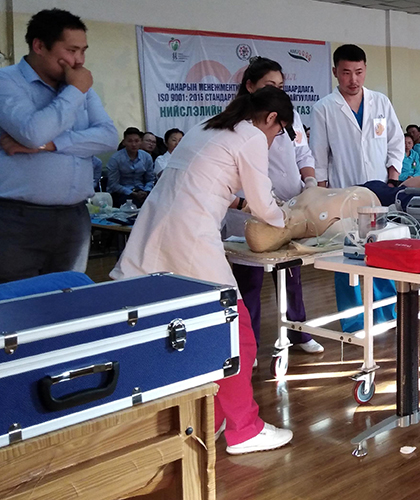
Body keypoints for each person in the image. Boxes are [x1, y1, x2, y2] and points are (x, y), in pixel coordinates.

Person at [110, 86, 297, 454]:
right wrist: (287, 220)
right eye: (278, 132)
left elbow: (207, 181)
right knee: (236, 332)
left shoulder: (207, 127)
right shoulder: (251, 137)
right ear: (272, 118)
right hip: (190, 238)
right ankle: (245, 429)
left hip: (155, 232)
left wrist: (243, 204)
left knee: (190, 331)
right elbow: (264, 204)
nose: (274, 139)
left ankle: (210, 418)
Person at [0, 9, 118, 286]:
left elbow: (109, 138)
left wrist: (50, 145)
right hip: (13, 219)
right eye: (71, 50)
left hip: (73, 216)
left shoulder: (81, 87)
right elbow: (33, 133)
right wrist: (74, 92)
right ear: (39, 46)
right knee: (16, 302)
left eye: (83, 51)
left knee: (68, 299)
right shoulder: (1, 82)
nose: (79, 61)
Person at [227, 56, 323, 355]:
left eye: (281, 86)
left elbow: (303, 154)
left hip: (289, 205)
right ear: (250, 86)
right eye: (270, 85)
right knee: (250, 281)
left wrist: (309, 182)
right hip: (250, 210)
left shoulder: (289, 117)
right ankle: (250, 346)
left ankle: (298, 332)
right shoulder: (237, 123)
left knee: (292, 274)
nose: (277, 91)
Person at [308, 44, 403, 332]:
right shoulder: (324, 108)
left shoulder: (380, 102)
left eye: (359, 72)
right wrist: (322, 196)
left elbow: (395, 142)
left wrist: (392, 180)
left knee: (383, 252)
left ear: (365, 70)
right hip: (344, 195)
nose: (353, 79)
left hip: (378, 193)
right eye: (346, 73)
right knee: (346, 259)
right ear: (335, 72)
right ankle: (353, 322)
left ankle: (387, 315)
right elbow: (319, 156)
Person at [107, 127, 155, 207]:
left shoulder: (147, 157)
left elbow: (150, 179)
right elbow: (113, 184)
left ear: (141, 142)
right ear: (124, 142)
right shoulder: (115, 159)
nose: (133, 144)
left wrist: (146, 191)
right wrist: (132, 193)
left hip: (142, 190)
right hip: (122, 192)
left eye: (136, 141)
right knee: (130, 202)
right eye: (130, 141)